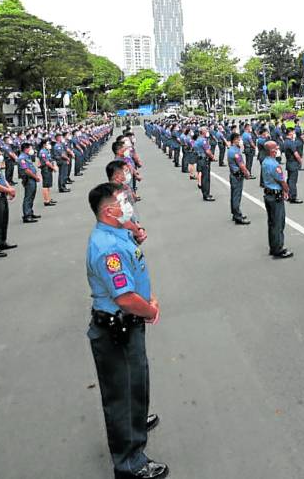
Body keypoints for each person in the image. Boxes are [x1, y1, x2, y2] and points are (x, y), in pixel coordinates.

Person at [85, 183, 168, 479]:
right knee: (122, 395)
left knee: (135, 386)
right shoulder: (107, 247)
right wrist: (151, 310)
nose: (128, 205)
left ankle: (135, 424)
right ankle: (129, 463)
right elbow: (124, 298)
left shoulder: (118, 235)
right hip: (117, 329)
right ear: (109, 211)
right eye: (123, 202)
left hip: (128, 324)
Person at [260, 141, 292, 259]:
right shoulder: (274, 164)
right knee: (278, 223)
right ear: (272, 150)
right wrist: (287, 190)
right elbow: (281, 181)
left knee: (272, 223)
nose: (278, 149)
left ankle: (273, 246)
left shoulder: (265, 161)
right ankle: (278, 249)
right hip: (275, 196)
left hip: (269, 194)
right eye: (276, 148)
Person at [226, 133, 251, 225]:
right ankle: (238, 216)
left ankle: (234, 213)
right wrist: (247, 173)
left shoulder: (233, 149)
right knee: (236, 196)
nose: (240, 141)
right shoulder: (235, 151)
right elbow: (241, 165)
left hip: (234, 175)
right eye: (238, 139)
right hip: (237, 176)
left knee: (234, 195)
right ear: (234, 140)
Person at [17, 142, 42, 223]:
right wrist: (35, 177)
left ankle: (30, 212)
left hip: (32, 178)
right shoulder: (22, 158)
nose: (31, 150)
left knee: (31, 196)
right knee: (28, 197)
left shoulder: (27, 156)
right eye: (30, 148)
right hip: (28, 179)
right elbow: (26, 170)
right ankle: (26, 215)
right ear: (26, 149)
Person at [194, 128, 216, 202]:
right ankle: (206, 195)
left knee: (205, 177)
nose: (207, 132)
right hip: (204, 160)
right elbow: (207, 151)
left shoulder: (198, 139)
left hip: (200, 159)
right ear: (203, 132)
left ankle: (206, 193)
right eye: (206, 131)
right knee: (205, 178)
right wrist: (212, 157)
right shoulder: (203, 140)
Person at [283, 126, 303, 203]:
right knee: (293, 181)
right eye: (293, 132)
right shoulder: (291, 143)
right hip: (293, 163)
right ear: (290, 133)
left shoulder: (285, 142)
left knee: (289, 180)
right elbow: (296, 154)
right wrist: (300, 161)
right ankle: (293, 197)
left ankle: (288, 194)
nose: (294, 134)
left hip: (289, 162)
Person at [38, 138, 58, 208]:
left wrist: (53, 166)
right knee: (45, 185)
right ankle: (46, 201)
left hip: (48, 169)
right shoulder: (42, 152)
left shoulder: (46, 151)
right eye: (48, 143)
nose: (49, 145)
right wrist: (53, 168)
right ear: (44, 145)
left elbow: (50, 160)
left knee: (48, 185)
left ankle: (49, 199)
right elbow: (46, 162)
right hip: (46, 169)